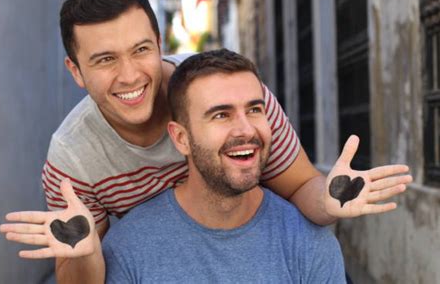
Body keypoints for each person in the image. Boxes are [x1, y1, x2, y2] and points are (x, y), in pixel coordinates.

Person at [0, 0, 412, 284]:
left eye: (141, 50)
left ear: (159, 42)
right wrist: (85, 254)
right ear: (76, 71)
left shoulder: (229, 95)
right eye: (105, 59)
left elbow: (303, 188)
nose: (130, 75)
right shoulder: (72, 159)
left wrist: (332, 199)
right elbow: (79, 269)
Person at [102, 49, 346, 283]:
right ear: (181, 138)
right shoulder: (128, 249)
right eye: (221, 115)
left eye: (254, 110)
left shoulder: (309, 243)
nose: (246, 130)